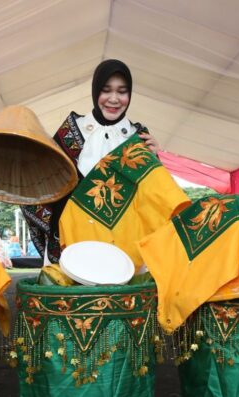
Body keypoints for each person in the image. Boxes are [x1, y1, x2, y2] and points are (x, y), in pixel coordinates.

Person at [21, 59, 162, 264]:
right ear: (96, 91)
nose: (114, 99)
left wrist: (154, 161)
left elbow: (154, 197)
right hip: (74, 242)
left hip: (125, 247)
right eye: (106, 90)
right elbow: (45, 182)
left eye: (122, 91)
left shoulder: (138, 137)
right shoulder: (71, 130)